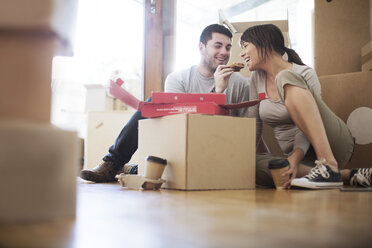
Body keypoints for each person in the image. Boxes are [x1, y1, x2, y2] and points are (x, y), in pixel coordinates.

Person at [80, 24, 250, 183]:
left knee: (169, 170)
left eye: (228, 47)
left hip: (221, 148)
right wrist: (217, 92)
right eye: (217, 45)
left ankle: (135, 169)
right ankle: (112, 163)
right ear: (201, 47)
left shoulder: (240, 83)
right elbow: (184, 127)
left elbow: (245, 130)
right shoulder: (178, 79)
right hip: (184, 146)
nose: (224, 52)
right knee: (152, 103)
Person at [239, 23, 371, 189]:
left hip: (331, 143)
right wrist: (239, 157)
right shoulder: (255, 79)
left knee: (284, 77)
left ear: (264, 43)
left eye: (245, 46)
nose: (242, 53)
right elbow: (254, 126)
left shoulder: (304, 73)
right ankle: (346, 176)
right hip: (302, 160)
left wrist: (294, 157)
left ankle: (329, 165)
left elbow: (309, 120)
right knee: (248, 164)